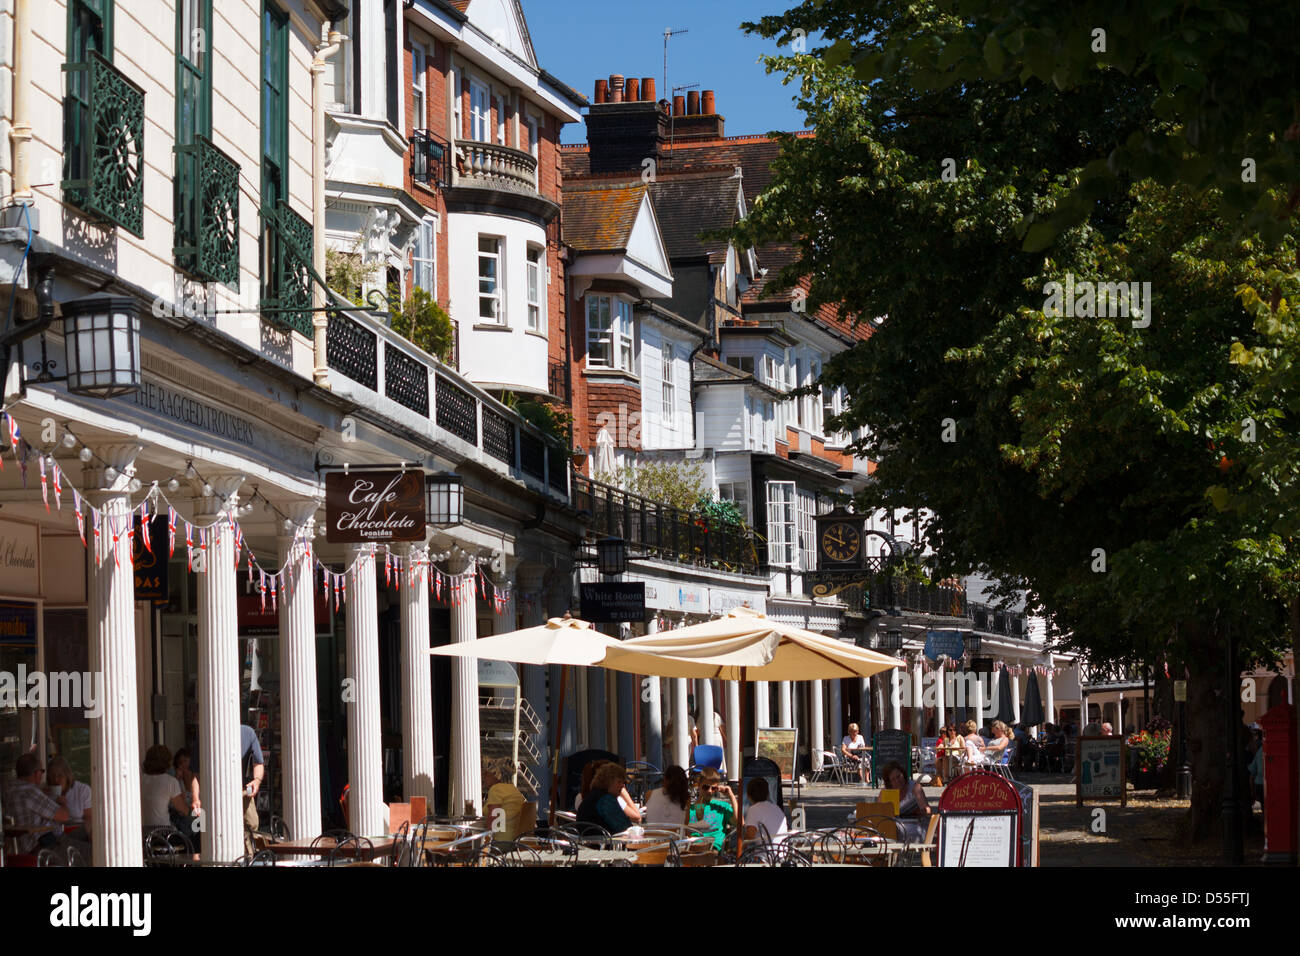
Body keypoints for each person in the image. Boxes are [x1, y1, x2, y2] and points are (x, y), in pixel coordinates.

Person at [5, 753, 70, 854]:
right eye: (42, 771)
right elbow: (64, 816)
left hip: (17, 849)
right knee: (91, 849)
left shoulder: (8, 790)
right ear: (37, 773)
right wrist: (62, 803)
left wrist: (43, 795)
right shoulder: (30, 792)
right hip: (41, 848)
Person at [575, 762, 636, 835]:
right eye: (619, 782)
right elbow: (624, 827)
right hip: (603, 844)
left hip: (586, 843)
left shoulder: (593, 796)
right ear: (608, 781)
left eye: (623, 783)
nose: (622, 786)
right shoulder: (605, 800)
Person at [881, 760, 931, 843]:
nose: (897, 781)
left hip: (916, 827)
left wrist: (921, 810)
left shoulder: (914, 787)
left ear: (903, 775)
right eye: (893, 779)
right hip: (897, 827)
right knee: (883, 829)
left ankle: (890, 854)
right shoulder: (887, 792)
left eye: (898, 776)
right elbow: (879, 814)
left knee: (893, 831)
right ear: (889, 783)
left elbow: (928, 811)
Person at [141, 744, 189, 829]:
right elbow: (183, 810)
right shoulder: (170, 781)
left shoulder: (141, 779)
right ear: (167, 762)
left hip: (143, 831)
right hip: (162, 833)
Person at [688, 767, 737, 851]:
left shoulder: (722, 807)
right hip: (692, 849)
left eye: (713, 788)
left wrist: (731, 796)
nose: (710, 791)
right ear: (699, 786)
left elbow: (740, 823)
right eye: (706, 787)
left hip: (713, 850)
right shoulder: (690, 809)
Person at [483, 758, 527, 842]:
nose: (484, 777)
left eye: (487, 774)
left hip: (498, 842)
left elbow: (493, 822)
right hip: (513, 841)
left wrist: (484, 842)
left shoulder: (496, 789)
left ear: (497, 775)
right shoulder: (515, 791)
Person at [239, 724, 265, 855]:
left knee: (252, 824)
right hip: (216, 791)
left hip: (243, 789)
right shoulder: (207, 730)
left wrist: (257, 780)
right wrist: (196, 797)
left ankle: (248, 856)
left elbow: (259, 763)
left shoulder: (247, 732)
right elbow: (195, 773)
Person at [742, 777, 787, 843]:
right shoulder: (776, 808)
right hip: (782, 851)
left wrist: (738, 849)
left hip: (766, 852)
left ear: (748, 795)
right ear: (768, 794)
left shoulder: (754, 809)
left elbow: (749, 836)